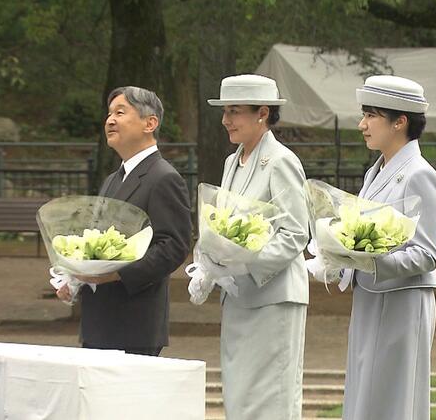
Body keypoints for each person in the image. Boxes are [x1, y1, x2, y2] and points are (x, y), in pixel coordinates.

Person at [200, 74, 309, 419]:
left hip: (273, 298)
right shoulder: (232, 161)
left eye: (234, 111)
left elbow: (295, 232)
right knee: (239, 395)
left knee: (270, 398)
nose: (226, 120)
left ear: (262, 113)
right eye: (225, 111)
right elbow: (222, 225)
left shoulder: (281, 160)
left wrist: (246, 263)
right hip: (238, 296)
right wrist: (209, 265)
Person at [338, 75, 436, 419]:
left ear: (400, 122)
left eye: (371, 115)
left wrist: (370, 260)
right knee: (364, 396)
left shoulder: (419, 174)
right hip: (370, 298)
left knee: (393, 399)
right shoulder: (376, 171)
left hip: (402, 302)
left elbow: (427, 254)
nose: (362, 125)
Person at [56, 86, 192, 356]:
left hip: (135, 323)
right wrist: (75, 275)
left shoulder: (163, 178)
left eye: (120, 112)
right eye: (109, 114)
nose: (110, 120)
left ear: (149, 123)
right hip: (100, 320)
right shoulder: (113, 179)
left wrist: (116, 273)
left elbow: (173, 246)